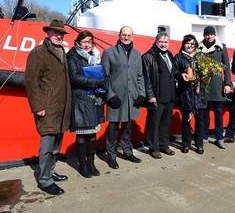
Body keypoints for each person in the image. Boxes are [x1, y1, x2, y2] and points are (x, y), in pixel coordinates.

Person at [25, 19, 71, 196]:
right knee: (47, 145)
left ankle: (50, 172)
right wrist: (38, 106)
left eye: (61, 33)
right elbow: (31, 82)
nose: (59, 36)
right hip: (48, 107)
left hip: (62, 106)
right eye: (56, 33)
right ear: (48, 33)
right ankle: (44, 181)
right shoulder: (38, 53)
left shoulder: (61, 52)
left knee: (57, 144)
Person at [102, 26, 146, 169]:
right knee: (113, 128)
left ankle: (127, 151)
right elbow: (105, 77)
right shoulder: (109, 53)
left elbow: (140, 76)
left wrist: (141, 94)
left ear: (132, 37)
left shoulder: (137, 55)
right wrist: (110, 95)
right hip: (116, 98)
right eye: (124, 34)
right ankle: (111, 155)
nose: (126, 37)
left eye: (129, 35)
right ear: (119, 35)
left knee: (128, 127)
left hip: (132, 98)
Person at [67, 30, 105, 178]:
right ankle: (82, 164)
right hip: (81, 99)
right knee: (82, 135)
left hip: (94, 98)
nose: (87, 44)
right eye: (84, 41)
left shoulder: (96, 55)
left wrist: (103, 82)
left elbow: (102, 72)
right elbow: (74, 77)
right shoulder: (72, 56)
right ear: (78, 42)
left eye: (89, 41)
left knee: (93, 134)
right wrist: (94, 82)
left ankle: (91, 163)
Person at [142, 31, 177, 159]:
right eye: (161, 42)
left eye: (165, 42)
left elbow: (173, 72)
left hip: (169, 95)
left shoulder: (170, 54)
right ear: (156, 42)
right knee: (154, 123)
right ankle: (154, 148)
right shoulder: (148, 56)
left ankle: (164, 145)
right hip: (156, 96)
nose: (163, 44)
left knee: (165, 122)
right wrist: (150, 95)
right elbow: (146, 78)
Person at [198, 26, 232, 149]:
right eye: (207, 34)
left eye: (211, 34)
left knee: (218, 113)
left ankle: (219, 137)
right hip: (204, 84)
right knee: (204, 113)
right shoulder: (199, 47)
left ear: (214, 35)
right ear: (204, 36)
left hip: (217, 84)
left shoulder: (221, 47)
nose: (209, 36)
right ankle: (204, 136)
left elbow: (226, 66)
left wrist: (227, 83)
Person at [175, 34, 207, 154]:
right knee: (186, 121)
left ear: (196, 45)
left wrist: (205, 77)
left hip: (199, 94)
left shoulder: (201, 57)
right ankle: (186, 144)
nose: (189, 45)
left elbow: (207, 72)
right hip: (186, 94)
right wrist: (180, 75)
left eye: (192, 43)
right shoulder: (179, 57)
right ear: (183, 44)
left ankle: (199, 144)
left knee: (199, 121)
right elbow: (174, 71)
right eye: (187, 43)